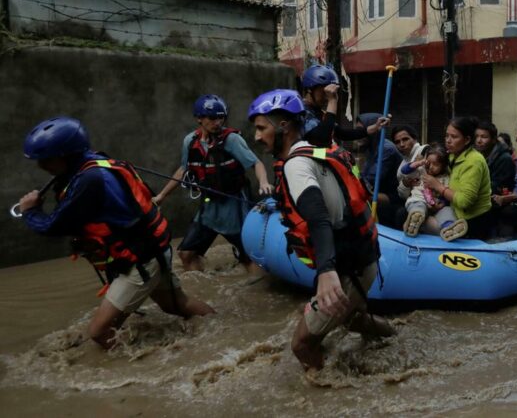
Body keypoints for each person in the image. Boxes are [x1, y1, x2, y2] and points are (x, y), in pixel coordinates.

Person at [17, 117, 214, 349]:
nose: (42, 167)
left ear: (66, 155)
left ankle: (146, 372)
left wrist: (30, 211)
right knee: (176, 305)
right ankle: (219, 328)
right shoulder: (94, 164)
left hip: (141, 260)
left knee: (99, 332)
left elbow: (53, 226)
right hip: (150, 251)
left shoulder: (88, 181)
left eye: (46, 160)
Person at [248, 89, 394, 371]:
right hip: (362, 257)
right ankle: (393, 339)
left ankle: (325, 395)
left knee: (301, 344)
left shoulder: (296, 165)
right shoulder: (311, 149)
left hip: (347, 267)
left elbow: (318, 217)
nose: (256, 136)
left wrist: (326, 271)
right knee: (355, 320)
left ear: (284, 126)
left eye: (261, 128)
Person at [153, 94, 271, 273]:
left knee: (249, 257)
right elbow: (183, 170)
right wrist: (161, 196)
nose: (217, 122)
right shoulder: (190, 141)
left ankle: (254, 287)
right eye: (212, 118)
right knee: (186, 254)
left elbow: (256, 163)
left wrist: (263, 182)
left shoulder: (232, 140)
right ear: (199, 118)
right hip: (209, 209)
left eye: (221, 117)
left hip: (234, 207)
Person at [421, 117, 493, 240]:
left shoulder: (474, 161)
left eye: (454, 137)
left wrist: (438, 186)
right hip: (453, 211)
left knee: (422, 222)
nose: (448, 141)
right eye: (447, 136)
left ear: (467, 140)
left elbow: (465, 201)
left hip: (472, 221)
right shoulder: (452, 156)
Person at [299, 64, 389, 147]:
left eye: (330, 93)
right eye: (324, 92)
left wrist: (375, 127)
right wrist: (332, 101)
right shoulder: (300, 112)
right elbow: (322, 138)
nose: (327, 97)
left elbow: (342, 134)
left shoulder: (319, 112)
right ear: (309, 89)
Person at [401, 145, 463, 239]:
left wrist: (442, 204)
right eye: (428, 162)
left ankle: (450, 228)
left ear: (444, 166)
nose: (431, 167)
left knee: (447, 211)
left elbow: (446, 194)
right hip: (419, 199)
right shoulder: (421, 170)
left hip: (436, 205)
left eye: (436, 164)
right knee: (418, 206)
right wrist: (419, 163)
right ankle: (414, 220)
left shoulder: (445, 177)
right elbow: (404, 170)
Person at [474, 121, 516, 196]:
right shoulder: (478, 155)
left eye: (484, 137)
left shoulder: (505, 159)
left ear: (493, 139)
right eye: (476, 136)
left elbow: (498, 187)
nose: (479, 140)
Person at [393, 125, 427, 201]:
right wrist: (405, 184)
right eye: (397, 142)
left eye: (405, 139)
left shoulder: (425, 150)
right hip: (415, 201)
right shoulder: (401, 166)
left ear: (415, 138)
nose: (401, 144)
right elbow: (403, 195)